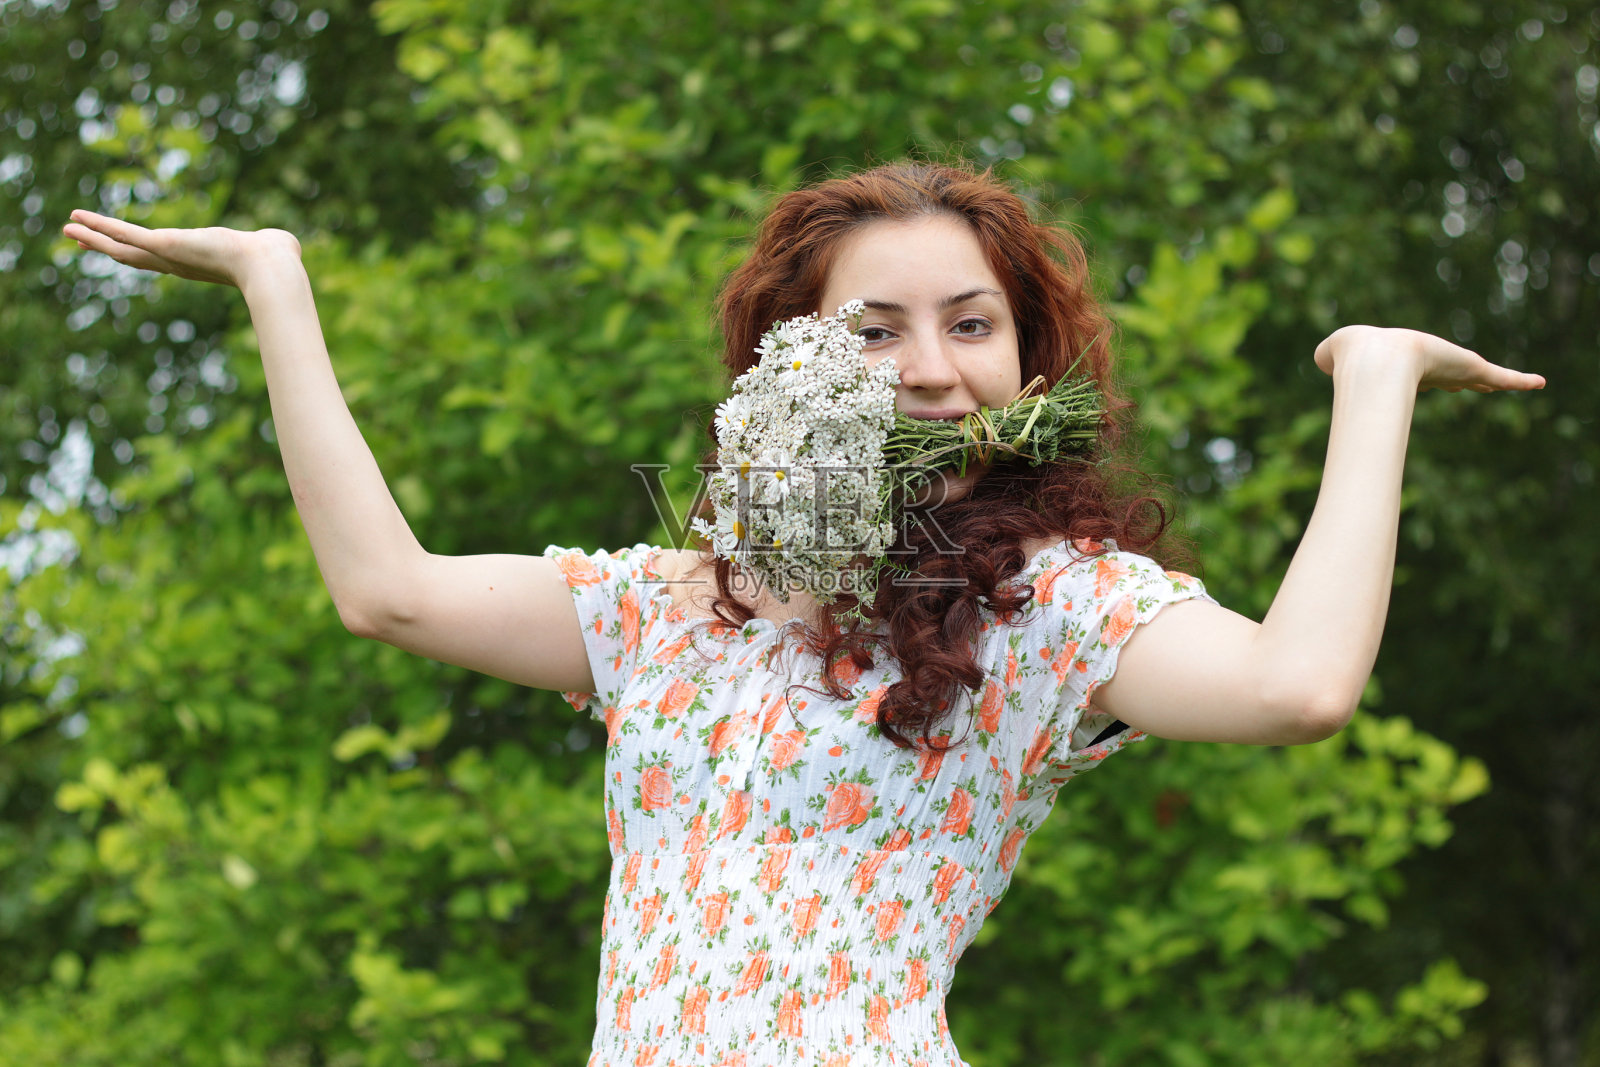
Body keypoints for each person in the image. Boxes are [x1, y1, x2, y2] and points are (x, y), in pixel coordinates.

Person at [63, 160, 1544, 1067]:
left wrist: (1374, 382)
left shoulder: (1056, 613)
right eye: (873, 327)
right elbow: (385, 592)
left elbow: (1297, 688)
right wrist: (277, 283)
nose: (928, 365)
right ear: (792, 365)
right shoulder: (668, 610)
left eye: (973, 324)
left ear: (1029, 367)